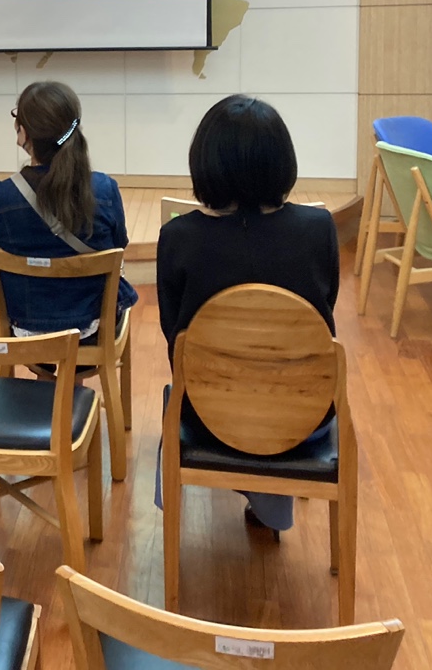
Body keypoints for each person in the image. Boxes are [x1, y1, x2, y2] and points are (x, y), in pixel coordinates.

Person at [155, 94, 340, 534]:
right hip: (307, 416)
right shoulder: (318, 230)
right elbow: (322, 312)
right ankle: (270, 499)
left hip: (207, 416)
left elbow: (174, 337)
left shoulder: (178, 237)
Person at [0, 81, 137, 338]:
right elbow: (119, 245)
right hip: (93, 328)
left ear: (23, 133)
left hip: (25, 327)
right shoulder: (104, 190)